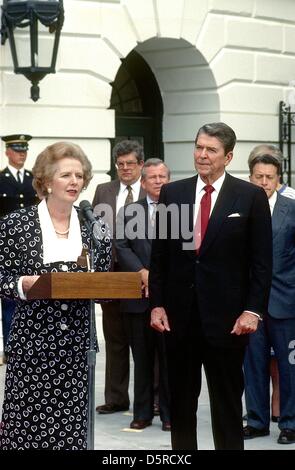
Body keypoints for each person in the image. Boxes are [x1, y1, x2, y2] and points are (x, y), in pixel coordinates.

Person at [149, 122, 273, 450]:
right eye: (199, 147)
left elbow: (262, 263)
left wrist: (252, 310)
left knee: (227, 407)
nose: (202, 155)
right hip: (179, 320)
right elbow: (160, 256)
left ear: (228, 156)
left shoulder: (250, 197)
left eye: (211, 150)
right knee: (181, 407)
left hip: (229, 323)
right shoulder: (173, 193)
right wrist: (158, 304)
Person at [0, 141, 111, 450]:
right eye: (65, 175)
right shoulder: (16, 225)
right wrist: (25, 284)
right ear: (47, 181)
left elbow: (103, 279)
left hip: (77, 346)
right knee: (28, 426)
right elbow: (1, 276)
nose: (74, 181)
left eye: (79, 175)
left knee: (71, 429)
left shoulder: (94, 225)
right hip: (32, 343)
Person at [115, 158, 171, 431]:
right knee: (143, 359)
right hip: (137, 297)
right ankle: (143, 413)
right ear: (144, 182)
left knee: (170, 359)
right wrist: (142, 271)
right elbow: (121, 245)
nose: (158, 181)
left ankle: (171, 416)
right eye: (152, 177)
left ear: (168, 179)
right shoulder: (129, 211)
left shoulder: (181, 209)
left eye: (162, 176)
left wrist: (159, 275)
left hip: (171, 300)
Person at [243, 154, 295, 444]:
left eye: (269, 177)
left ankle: (290, 423)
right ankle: (257, 421)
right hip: (250, 305)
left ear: (278, 179)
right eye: (259, 176)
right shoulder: (239, 208)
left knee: (289, 368)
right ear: (251, 177)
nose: (264, 182)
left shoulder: (292, 209)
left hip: (285, 302)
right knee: (253, 365)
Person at [92, 140, 146, 414]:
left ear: (140, 165)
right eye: (120, 164)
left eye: (130, 163)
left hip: (140, 275)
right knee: (114, 338)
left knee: (146, 341)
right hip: (111, 275)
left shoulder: (150, 189)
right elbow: (94, 230)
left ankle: (153, 400)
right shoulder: (104, 190)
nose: (125, 168)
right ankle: (116, 398)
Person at [0, 134, 39, 363]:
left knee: (31, 294)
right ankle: (11, 348)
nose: (21, 154)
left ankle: (29, 344)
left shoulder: (34, 179)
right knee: (10, 297)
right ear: (7, 152)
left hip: (29, 245)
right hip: (5, 247)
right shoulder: (1, 179)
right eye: (17, 150)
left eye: (24, 150)